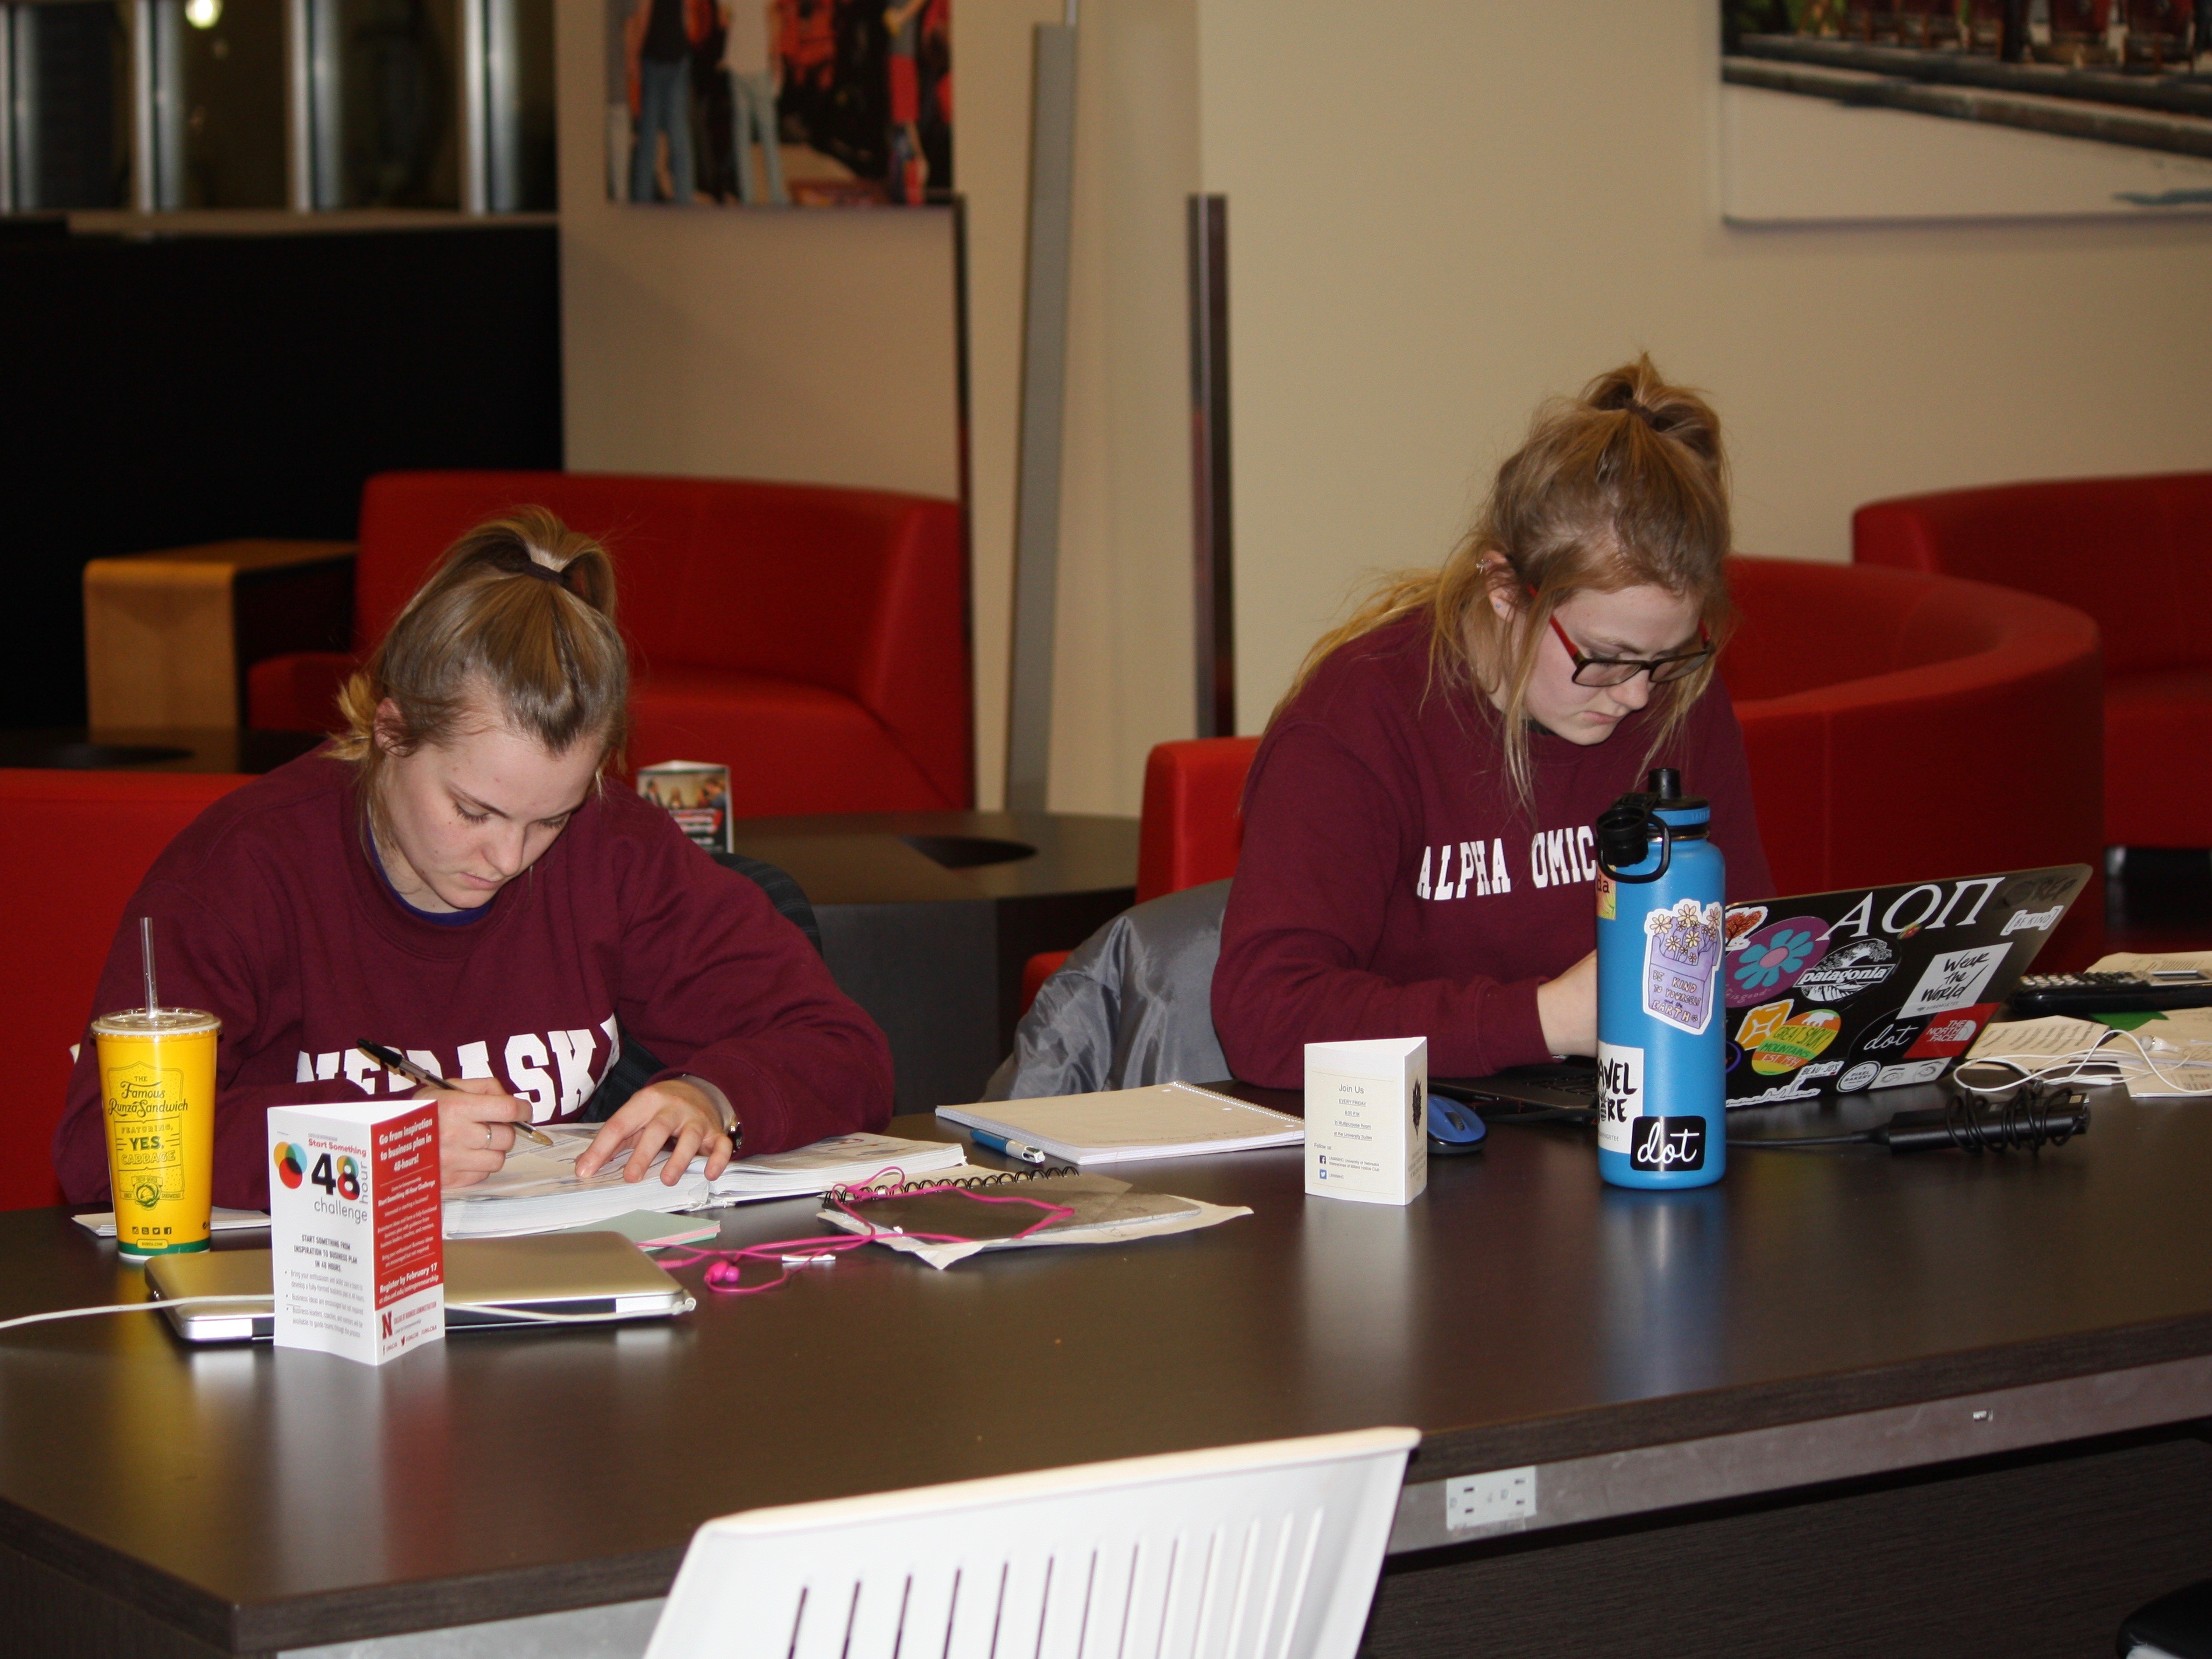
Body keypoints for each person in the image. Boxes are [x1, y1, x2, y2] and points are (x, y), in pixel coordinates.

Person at [54, 510, 893, 1209]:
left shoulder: (615, 848)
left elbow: (842, 1048)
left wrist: (713, 1097)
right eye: (473, 811)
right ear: (389, 730)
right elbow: (106, 1151)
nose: (507, 859)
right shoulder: (244, 869)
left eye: (549, 820)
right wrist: (367, 1144)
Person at [1211, 358, 1774, 1090]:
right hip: (1417, 1149)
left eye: (1666, 658)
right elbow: (1265, 1015)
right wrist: (1548, 1019)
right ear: (1505, 590)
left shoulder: (1679, 697)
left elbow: (1747, 946)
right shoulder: (1360, 718)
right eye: (1605, 657)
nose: (1638, 696)